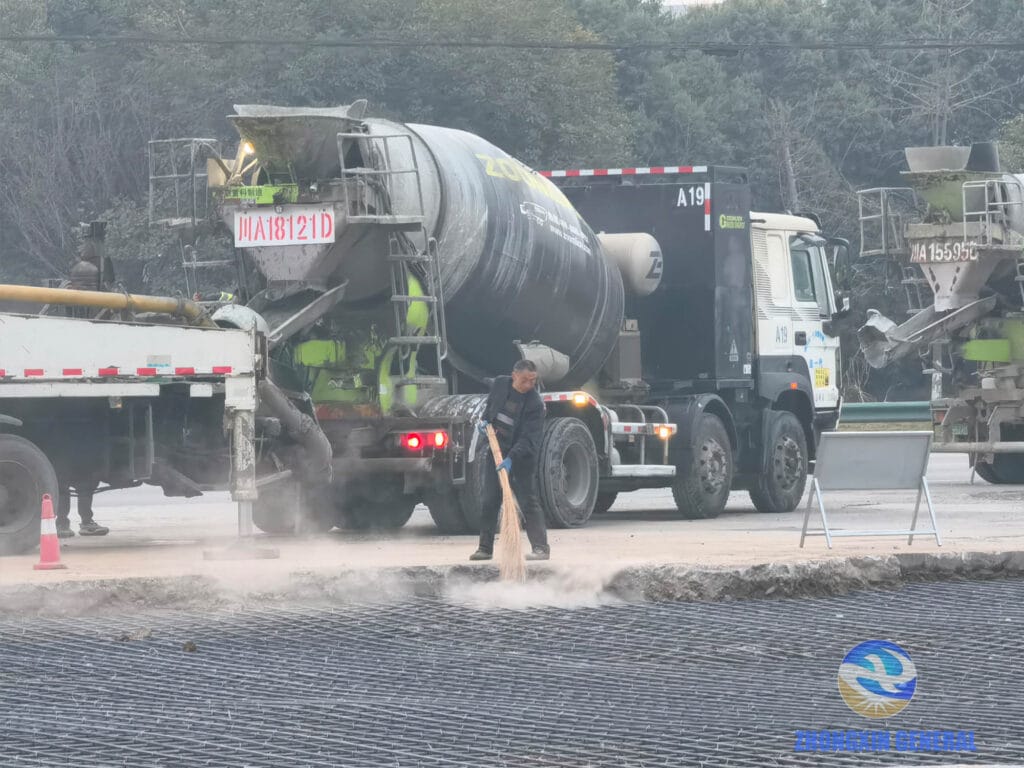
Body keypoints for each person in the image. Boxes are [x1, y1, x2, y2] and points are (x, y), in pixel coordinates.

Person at [470, 359, 550, 562]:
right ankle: (485, 548)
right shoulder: (500, 384)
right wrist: (486, 421)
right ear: (514, 375)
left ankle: (541, 548)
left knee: (528, 501)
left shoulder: (535, 404)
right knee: (490, 500)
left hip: (521, 457)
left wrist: (511, 459)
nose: (529, 385)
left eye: (533, 380)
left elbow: (529, 438)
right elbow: (491, 406)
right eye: (525, 380)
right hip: (496, 451)